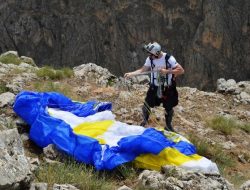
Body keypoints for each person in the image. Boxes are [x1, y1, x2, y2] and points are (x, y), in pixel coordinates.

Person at [124, 42, 184, 132]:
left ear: (156, 53)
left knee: (169, 107)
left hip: (168, 88)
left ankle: (168, 126)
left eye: (150, 53)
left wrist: (167, 71)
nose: (149, 55)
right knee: (147, 105)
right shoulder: (150, 59)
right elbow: (143, 70)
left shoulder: (169, 58)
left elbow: (181, 70)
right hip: (154, 87)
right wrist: (131, 74)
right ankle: (144, 122)